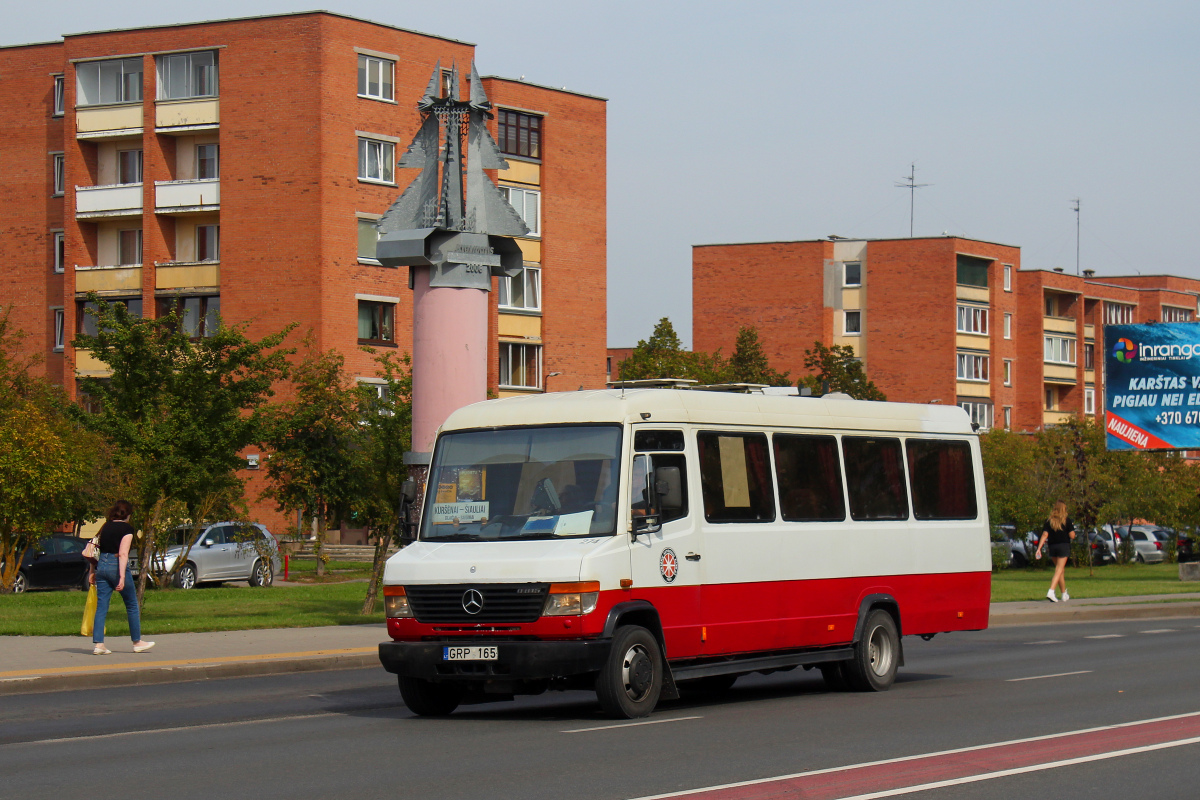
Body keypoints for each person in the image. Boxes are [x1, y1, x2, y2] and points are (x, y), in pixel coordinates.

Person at [88, 500, 154, 655]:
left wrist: (92, 570)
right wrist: (122, 577)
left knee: (102, 606)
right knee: (131, 604)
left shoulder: (105, 526)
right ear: (128, 514)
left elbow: (94, 548)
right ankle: (137, 642)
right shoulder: (127, 529)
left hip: (102, 566)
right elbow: (123, 553)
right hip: (116, 566)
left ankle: (99, 645)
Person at [1035, 500, 1076, 603]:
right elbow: (1072, 536)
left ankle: (1063, 594)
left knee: (1060, 570)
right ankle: (1051, 591)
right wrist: (1072, 529)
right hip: (1063, 546)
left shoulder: (1049, 521)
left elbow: (1045, 535)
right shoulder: (1067, 520)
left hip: (1052, 546)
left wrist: (1039, 548)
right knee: (1059, 570)